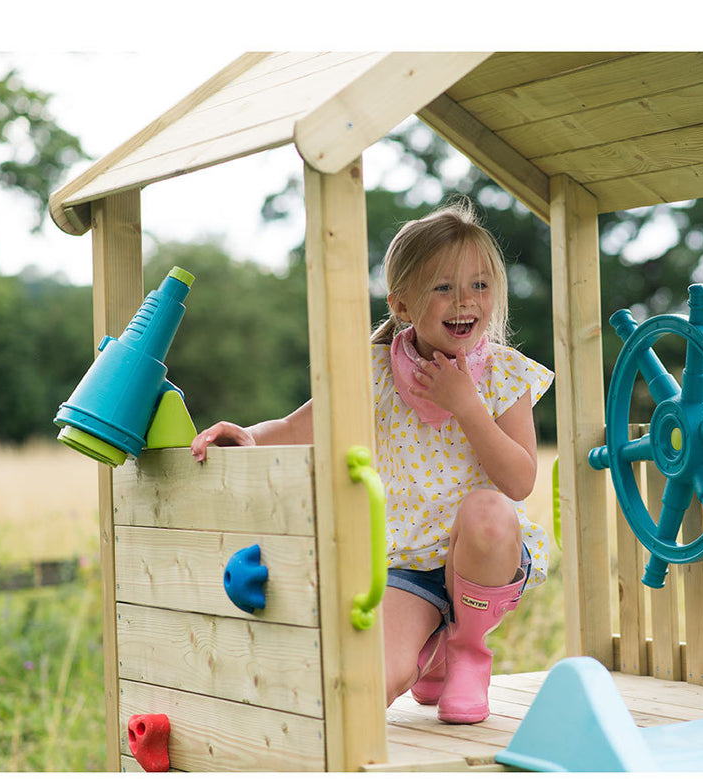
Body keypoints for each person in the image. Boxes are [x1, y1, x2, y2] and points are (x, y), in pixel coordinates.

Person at [190, 198, 553, 725]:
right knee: (369, 686)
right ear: (402, 305)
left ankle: (468, 651)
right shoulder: (374, 370)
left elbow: (519, 481)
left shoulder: (505, 374)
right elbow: (296, 429)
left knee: (488, 511)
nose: (465, 301)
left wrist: (467, 407)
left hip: (482, 561)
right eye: (443, 287)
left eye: (479, 285)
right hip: (404, 568)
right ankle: (429, 651)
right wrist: (246, 435)